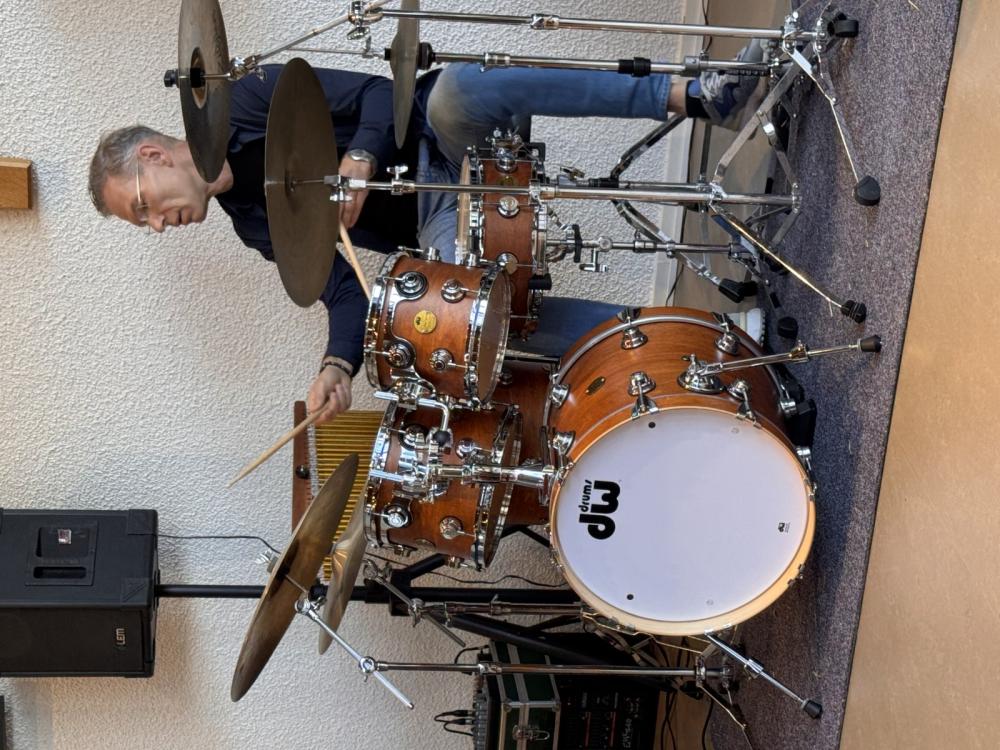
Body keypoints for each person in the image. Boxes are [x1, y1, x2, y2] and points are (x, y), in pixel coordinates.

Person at [89, 43, 765, 423]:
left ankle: (696, 96)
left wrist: (361, 156)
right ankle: (704, 339)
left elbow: (377, 95)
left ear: (154, 156)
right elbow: (345, 290)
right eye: (143, 224)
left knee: (461, 86)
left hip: (440, 136)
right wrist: (336, 366)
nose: (158, 224)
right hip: (434, 217)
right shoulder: (252, 226)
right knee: (459, 318)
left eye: (144, 206)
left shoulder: (250, 97)